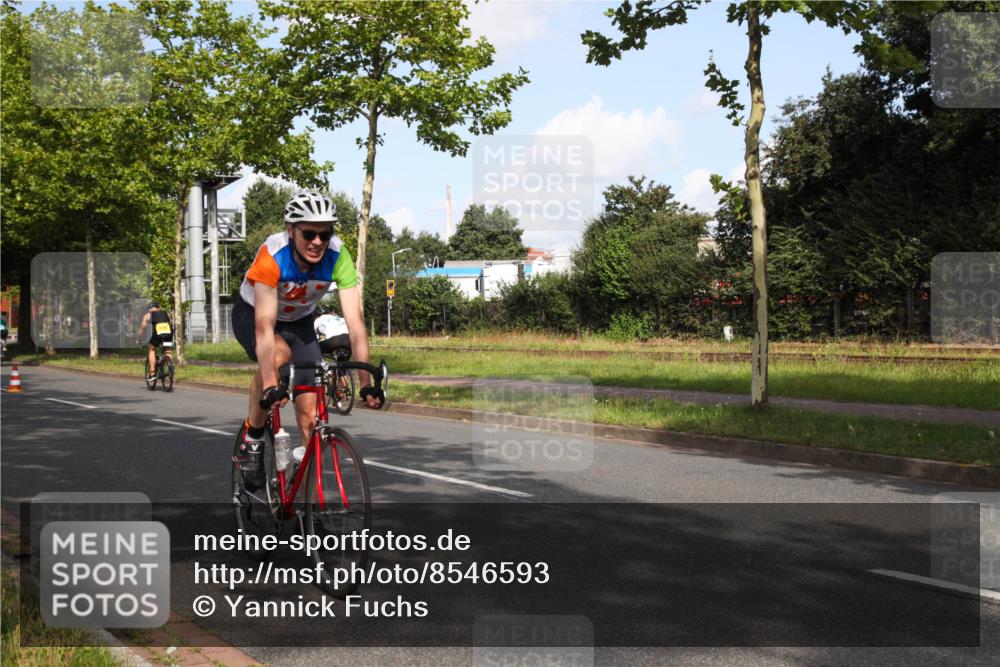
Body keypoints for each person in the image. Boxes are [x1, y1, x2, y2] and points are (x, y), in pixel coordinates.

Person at [232, 191, 380, 485]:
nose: (317, 242)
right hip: (254, 315)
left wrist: (366, 383)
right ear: (291, 230)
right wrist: (272, 385)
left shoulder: (338, 256)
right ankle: (254, 438)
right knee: (277, 355)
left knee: (312, 414)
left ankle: (305, 492)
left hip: (300, 322)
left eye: (324, 235)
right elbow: (264, 326)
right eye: (309, 233)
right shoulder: (273, 255)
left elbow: (356, 326)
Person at [137, 303, 173, 382]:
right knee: (168, 350)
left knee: (152, 349)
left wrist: (139, 335)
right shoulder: (167, 313)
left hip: (158, 332)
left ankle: (152, 373)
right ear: (159, 307)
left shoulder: (148, 315)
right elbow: (170, 322)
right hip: (169, 333)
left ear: (149, 309)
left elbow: (143, 326)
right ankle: (170, 368)